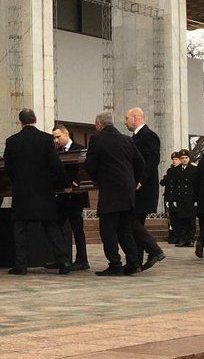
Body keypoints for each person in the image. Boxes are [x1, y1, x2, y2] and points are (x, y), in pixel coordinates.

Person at [3, 109, 73, 276]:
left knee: (20, 229)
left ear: (20, 122)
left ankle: (21, 265)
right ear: (35, 120)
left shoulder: (12, 141)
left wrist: (16, 182)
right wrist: (66, 183)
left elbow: (8, 168)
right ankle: (63, 261)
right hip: (43, 191)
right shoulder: (46, 139)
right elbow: (55, 164)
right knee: (51, 227)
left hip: (22, 192)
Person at [84, 111, 144, 276]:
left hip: (110, 192)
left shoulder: (97, 139)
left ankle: (115, 264)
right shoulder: (127, 140)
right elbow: (140, 163)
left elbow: (90, 165)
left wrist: (97, 179)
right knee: (125, 229)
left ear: (99, 125)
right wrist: (133, 180)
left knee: (107, 230)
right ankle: (134, 263)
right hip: (127, 192)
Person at [124, 107, 166, 271]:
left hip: (143, 188)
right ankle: (136, 262)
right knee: (136, 223)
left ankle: (154, 250)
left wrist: (141, 180)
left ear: (135, 117)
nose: (125, 122)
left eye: (127, 118)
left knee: (132, 222)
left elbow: (152, 160)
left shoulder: (149, 135)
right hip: (136, 187)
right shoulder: (135, 137)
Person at [52, 124, 89, 271]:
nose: (56, 140)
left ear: (66, 134)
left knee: (77, 228)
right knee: (57, 225)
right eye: (54, 138)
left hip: (76, 195)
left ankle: (82, 260)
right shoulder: (56, 151)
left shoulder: (79, 148)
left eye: (58, 137)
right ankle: (62, 259)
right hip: (62, 196)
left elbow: (84, 168)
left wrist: (76, 182)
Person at [170, 149, 197, 246]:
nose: (184, 159)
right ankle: (183, 239)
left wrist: (196, 199)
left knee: (190, 220)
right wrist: (173, 199)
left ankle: (191, 239)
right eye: (182, 158)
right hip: (180, 198)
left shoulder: (194, 169)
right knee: (181, 220)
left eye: (186, 158)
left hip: (190, 198)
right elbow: (174, 185)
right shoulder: (177, 170)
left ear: (189, 158)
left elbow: (197, 185)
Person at [161, 152, 181, 243]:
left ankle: (177, 235)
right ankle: (172, 235)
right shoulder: (170, 170)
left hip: (177, 197)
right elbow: (164, 182)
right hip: (169, 197)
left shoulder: (180, 170)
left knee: (177, 217)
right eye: (173, 159)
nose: (174, 161)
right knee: (170, 218)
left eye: (176, 159)